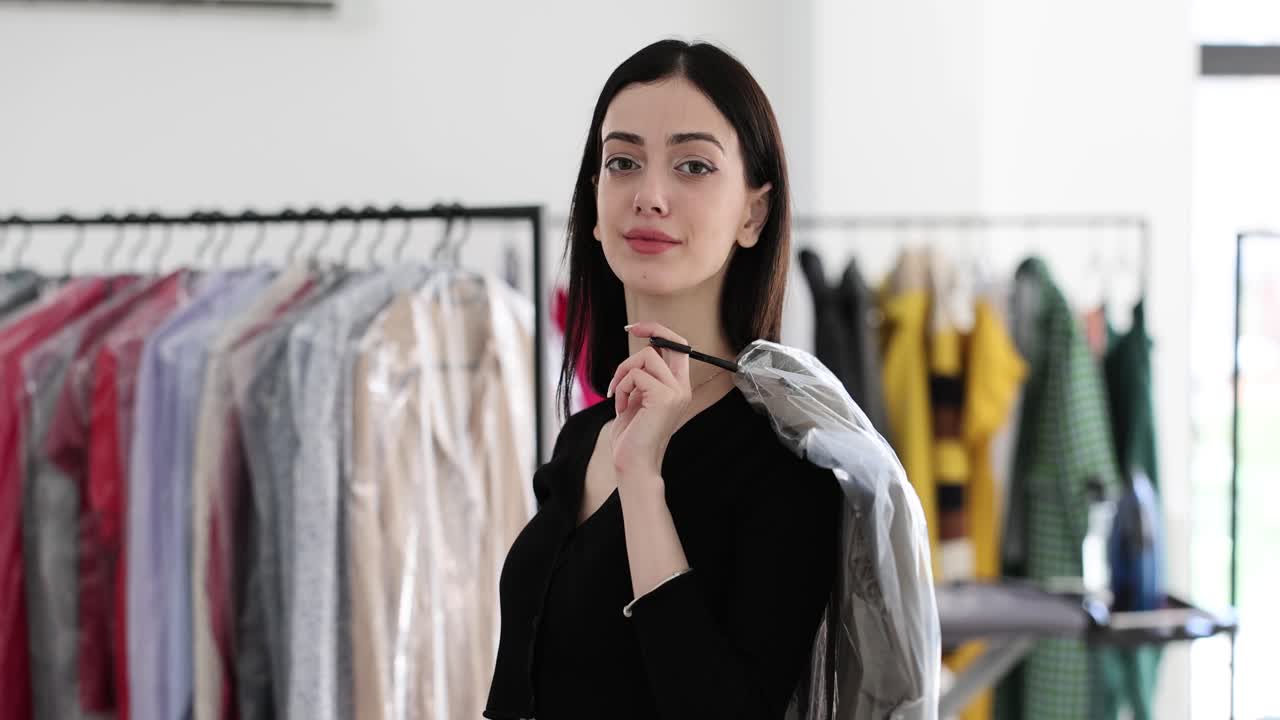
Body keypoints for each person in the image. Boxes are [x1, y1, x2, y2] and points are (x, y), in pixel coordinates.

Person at [484, 38, 841, 720]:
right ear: (594, 202)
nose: (649, 195)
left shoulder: (786, 467)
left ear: (753, 213)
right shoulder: (583, 435)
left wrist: (643, 481)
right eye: (623, 162)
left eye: (693, 166)